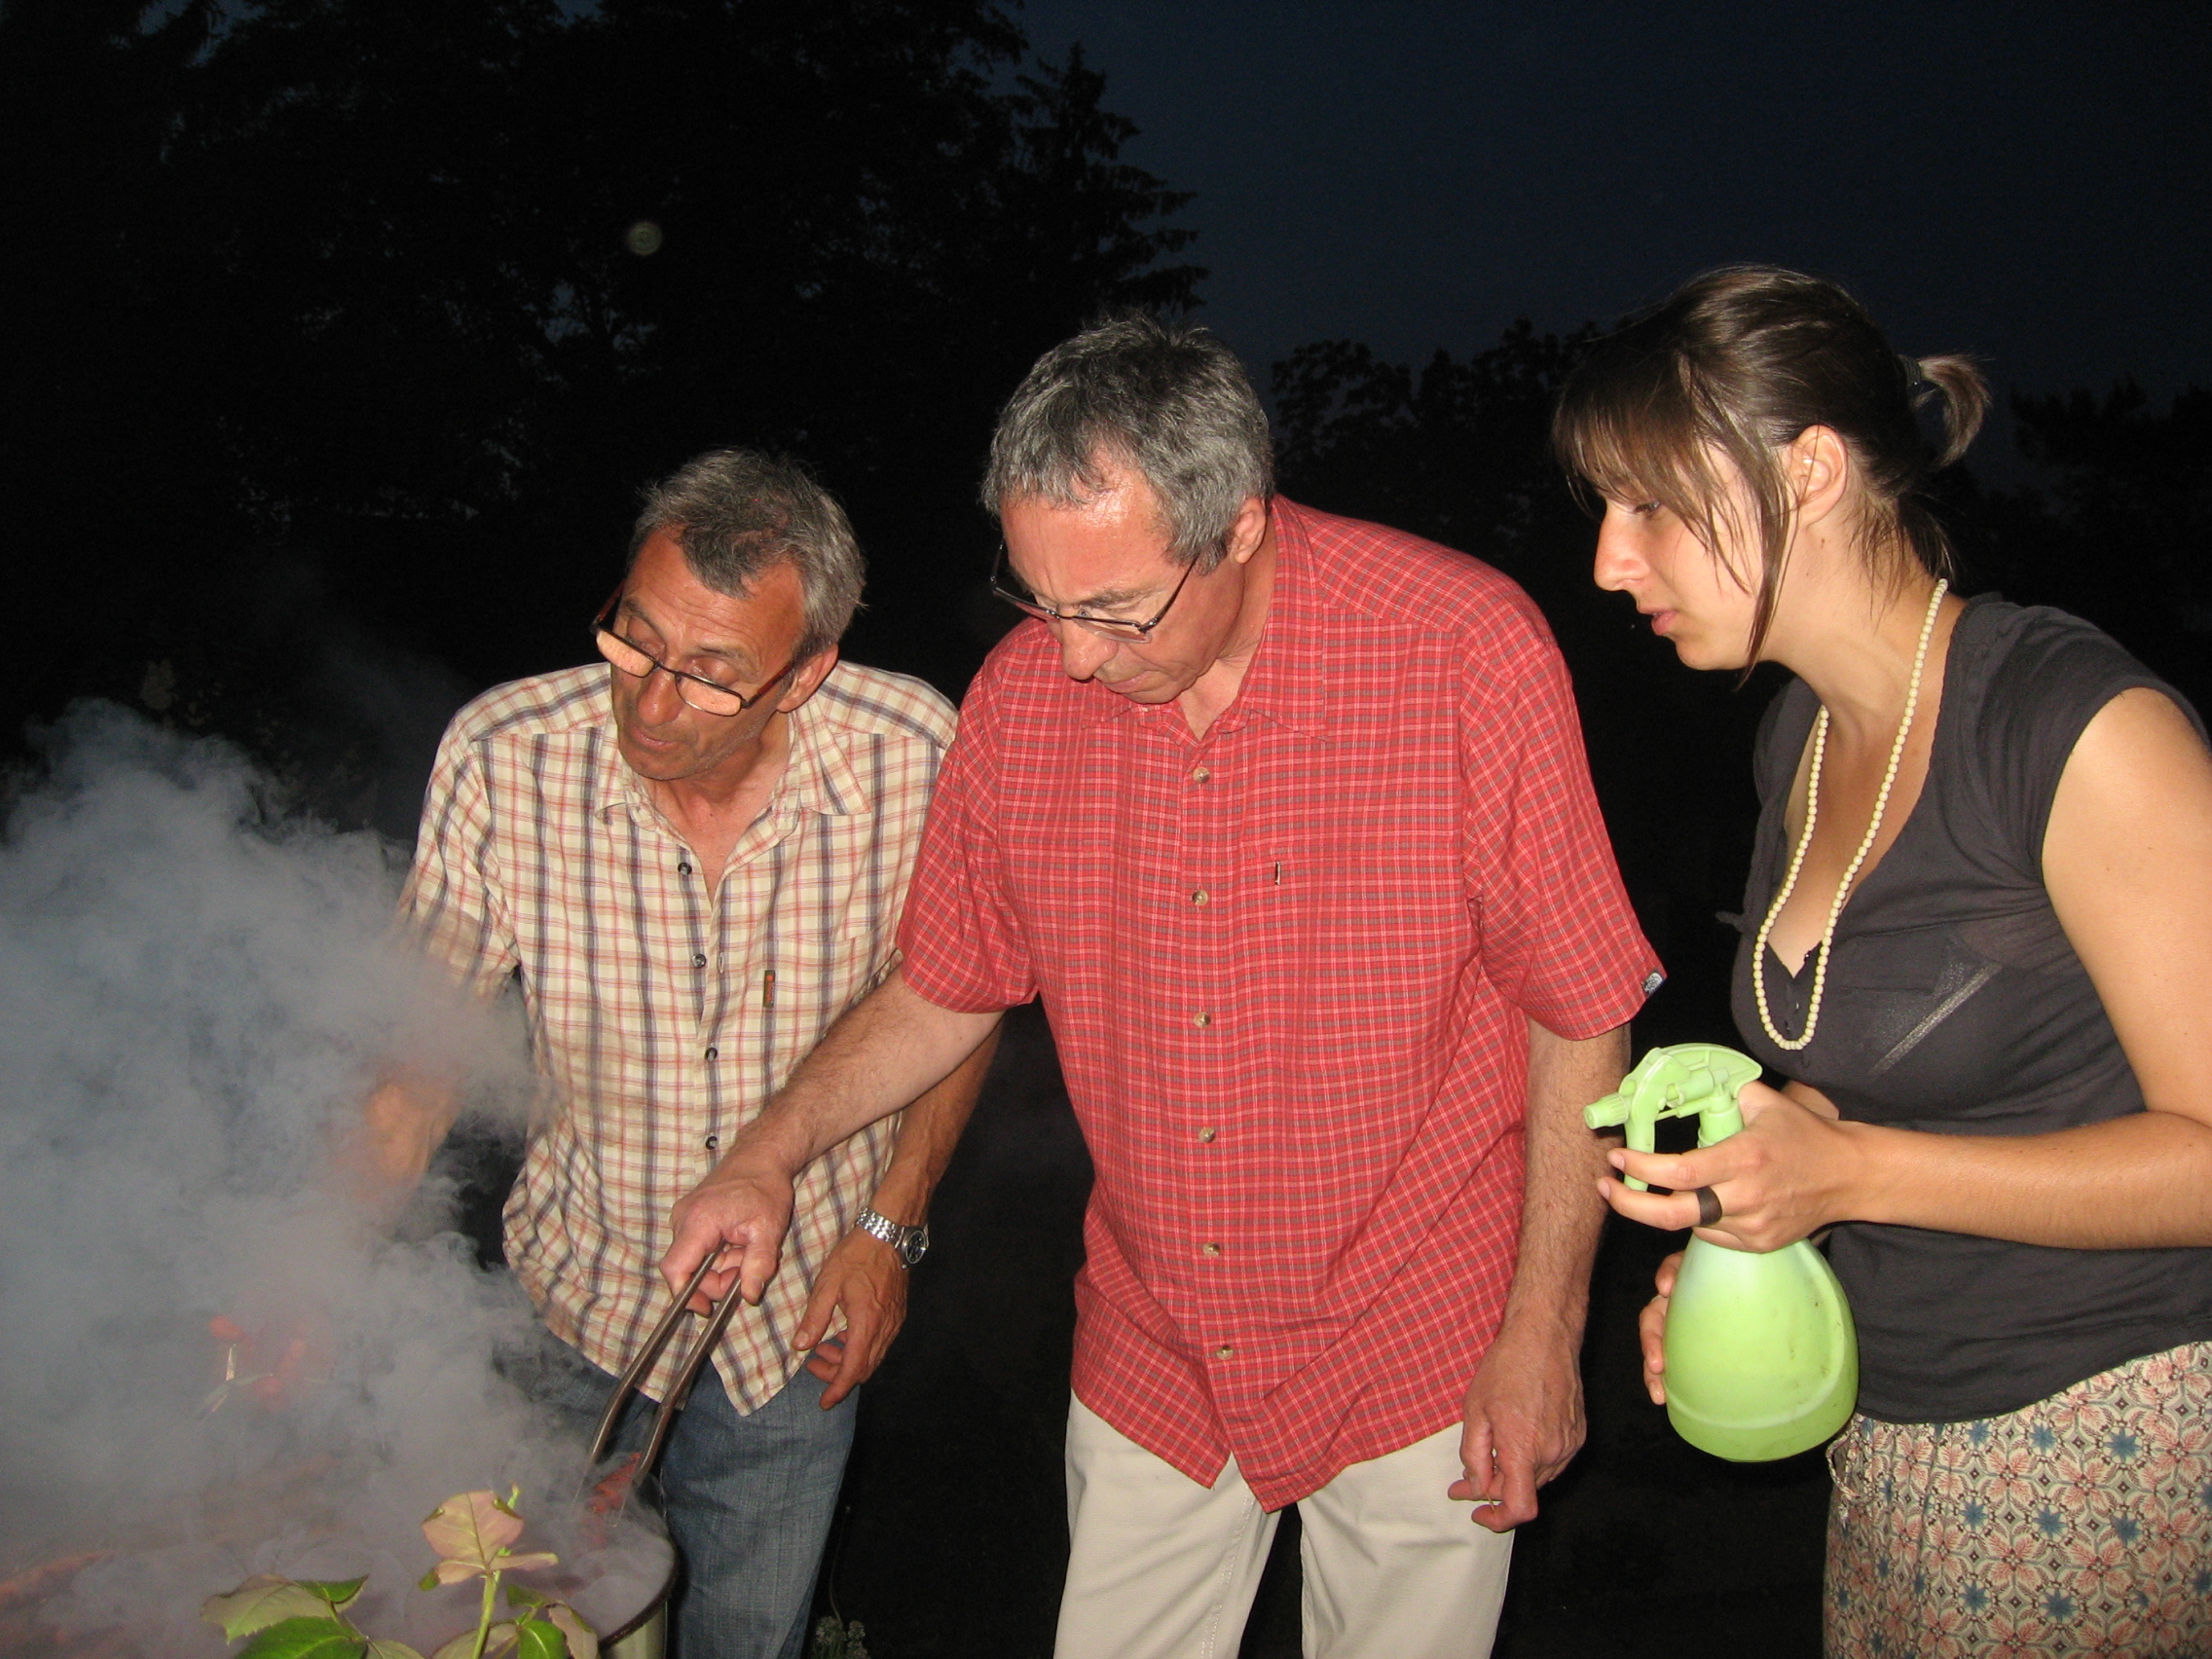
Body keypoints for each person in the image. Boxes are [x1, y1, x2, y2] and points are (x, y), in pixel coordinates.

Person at [663, 316, 1662, 1659]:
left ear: (1240, 526)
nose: (1073, 656)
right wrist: (768, 1154)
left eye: (1115, 610)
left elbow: (1579, 1006)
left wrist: (1545, 1326)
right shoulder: (1022, 702)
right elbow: (946, 988)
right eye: (1039, 598)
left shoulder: (1461, 650)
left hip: (1421, 1331)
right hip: (1159, 1341)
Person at [1555, 266, 2212, 1657]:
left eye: (1650, 505)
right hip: (1893, 1439)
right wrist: (1763, 1216)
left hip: (2105, 1442)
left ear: (1809, 471)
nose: (1610, 561)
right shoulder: (1796, 739)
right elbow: (1871, 1102)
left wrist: (1851, 1175)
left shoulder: (2072, 727)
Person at [378, 448, 994, 1659]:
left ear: (805, 671)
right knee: (529, 1631)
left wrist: (891, 1229)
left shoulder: (914, 751)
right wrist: (306, 1265)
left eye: (711, 675)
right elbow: (414, 1060)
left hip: (796, 1317)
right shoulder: (507, 755)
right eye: (636, 641)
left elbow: (959, 999)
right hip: (573, 1299)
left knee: (748, 1637)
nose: (652, 707)